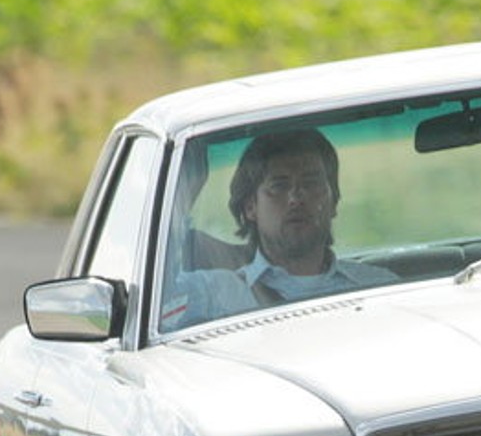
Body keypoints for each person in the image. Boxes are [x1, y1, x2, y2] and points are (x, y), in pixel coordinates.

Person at [161, 128, 395, 327]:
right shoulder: (213, 293)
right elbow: (154, 307)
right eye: (279, 186)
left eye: (311, 183)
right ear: (250, 207)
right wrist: (183, 188)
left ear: (334, 201)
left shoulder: (379, 287)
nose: (296, 198)